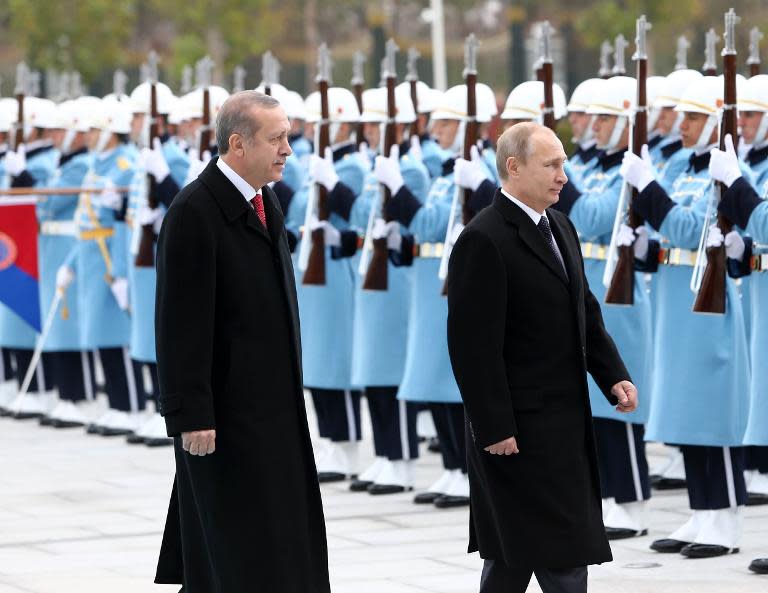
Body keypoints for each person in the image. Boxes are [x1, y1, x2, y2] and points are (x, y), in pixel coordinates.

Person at [447, 122, 638, 593]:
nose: (563, 176)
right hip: (517, 431)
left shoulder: (560, 225)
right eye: (551, 165)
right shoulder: (484, 238)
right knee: (557, 555)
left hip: (563, 426)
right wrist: (494, 428)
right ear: (514, 168)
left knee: (517, 558)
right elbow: (472, 347)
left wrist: (612, 375)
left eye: (564, 164)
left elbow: (584, 311)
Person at [153, 90, 330, 592]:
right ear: (237, 144)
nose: (287, 150)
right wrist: (192, 415)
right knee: (232, 551)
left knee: (280, 542)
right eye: (276, 139)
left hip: (273, 406)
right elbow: (179, 324)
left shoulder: (263, 198)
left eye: (288, 138)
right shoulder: (195, 211)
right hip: (225, 415)